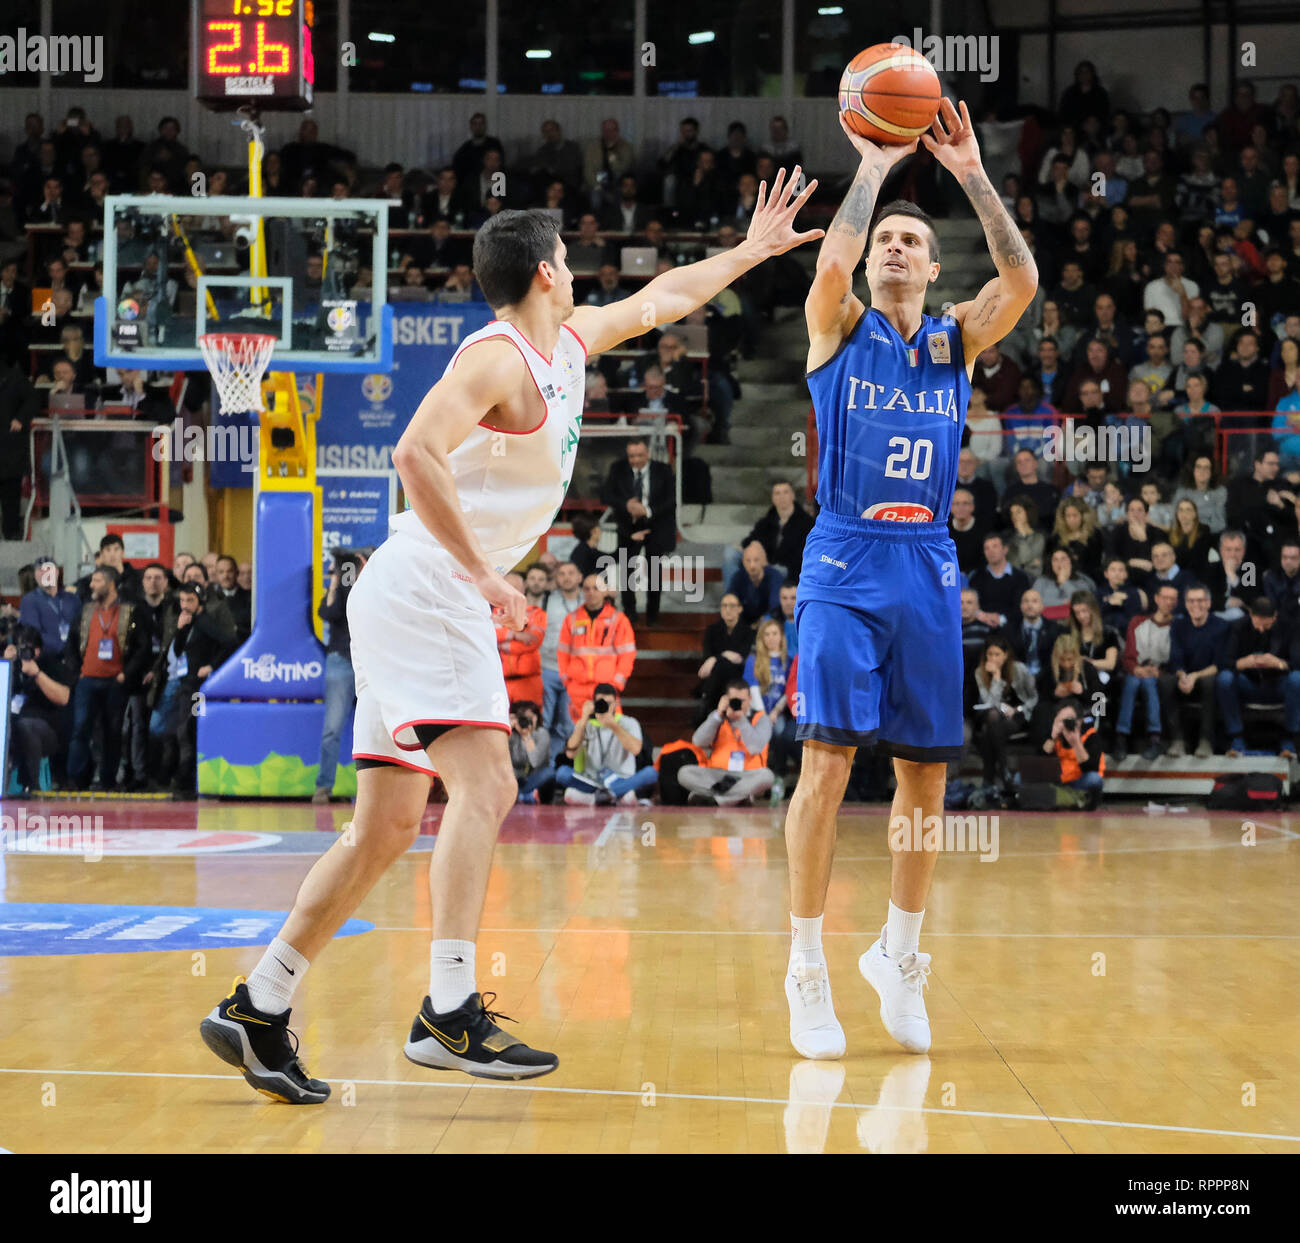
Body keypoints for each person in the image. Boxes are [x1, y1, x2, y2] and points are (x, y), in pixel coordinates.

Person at [201, 187, 826, 1099]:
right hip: (428, 587)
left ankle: (260, 1003)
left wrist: (755, 248)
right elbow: (412, 453)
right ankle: (448, 1009)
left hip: (407, 593)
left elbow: (668, 298)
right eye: (568, 260)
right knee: (488, 783)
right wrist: (492, 578)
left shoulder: (568, 342)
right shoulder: (496, 358)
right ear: (544, 272)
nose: (578, 272)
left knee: (381, 830)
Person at [783, 98, 1037, 1059]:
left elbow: (1021, 275)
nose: (893, 247)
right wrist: (874, 167)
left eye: (910, 244)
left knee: (926, 777)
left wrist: (970, 173)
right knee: (827, 765)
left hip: (927, 562)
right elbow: (833, 262)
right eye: (886, 237)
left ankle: (899, 953)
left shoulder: (956, 340)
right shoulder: (837, 325)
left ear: (935, 270)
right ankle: (807, 966)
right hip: (844, 558)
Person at [67, 566, 147, 790]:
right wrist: (77, 672)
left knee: (112, 732)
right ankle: (77, 778)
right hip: (87, 681)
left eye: (97, 581)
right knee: (80, 728)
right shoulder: (86, 611)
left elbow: (142, 647)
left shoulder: (130, 611)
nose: (92, 585)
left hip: (115, 682)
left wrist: (126, 674)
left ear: (110, 584)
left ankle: (107, 779)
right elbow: (71, 644)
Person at [600, 437, 676, 624]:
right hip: (628, 527)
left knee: (654, 572)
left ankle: (653, 615)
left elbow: (671, 500)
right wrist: (626, 505)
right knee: (627, 571)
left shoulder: (664, 470)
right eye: (631, 456)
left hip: (656, 525)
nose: (635, 460)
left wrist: (647, 510)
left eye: (639, 455)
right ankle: (630, 615)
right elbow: (606, 495)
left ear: (648, 453)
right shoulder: (618, 468)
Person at [1216, 595, 1300, 757]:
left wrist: (1279, 663)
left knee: (1297, 679)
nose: (1261, 629)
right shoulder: (1238, 626)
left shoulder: (1289, 627)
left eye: (1266, 625)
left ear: (1275, 617)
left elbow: (1297, 662)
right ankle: (1236, 737)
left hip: (1278, 684)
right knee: (1224, 679)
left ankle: (1289, 739)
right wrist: (1242, 663)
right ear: (1251, 615)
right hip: (1248, 683)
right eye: (1257, 624)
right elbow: (1224, 661)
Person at [313, 550, 364, 805]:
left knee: (374, 729)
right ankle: (324, 787)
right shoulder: (339, 589)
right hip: (340, 661)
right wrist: (333, 585)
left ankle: (372, 791)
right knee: (332, 728)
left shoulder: (369, 588)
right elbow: (329, 612)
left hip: (368, 662)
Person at [677, 678, 775, 806]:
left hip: (746, 775)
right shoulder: (717, 717)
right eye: (733, 700)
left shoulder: (761, 718)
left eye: (741, 701)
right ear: (725, 699)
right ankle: (737, 798)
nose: (737, 704)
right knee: (684, 773)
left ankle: (716, 799)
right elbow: (698, 741)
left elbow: (755, 747)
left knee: (767, 776)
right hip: (716, 774)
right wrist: (717, 715)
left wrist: (741, 720)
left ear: (750, 699)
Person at [555, 683, 656, 805]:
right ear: (593, 703)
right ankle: (614, 796)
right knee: (562, 773)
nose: (605, 707)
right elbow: (570, 753)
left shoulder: (628, 722)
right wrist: (583, 719)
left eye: (609, 703)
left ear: (616, 703)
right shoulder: (587, 724)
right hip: (592, 781)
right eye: (601, 703)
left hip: (621, 778)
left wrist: (613, 725)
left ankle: (596, 798)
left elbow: (636, 750)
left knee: (651, 773)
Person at [556, 571, 637, 725]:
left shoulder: (618, 619)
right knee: (577, 735)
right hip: (577, 689)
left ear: (606, 591)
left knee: (609, 733)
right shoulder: (572, 619)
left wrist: (616, 685)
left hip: (606, 690)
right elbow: (562, 653)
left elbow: (627, 655)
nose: (591, 592)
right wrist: (567, 680)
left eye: (596, 588)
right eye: (587, 588)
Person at [1113, 582, 1181, 761]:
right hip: (1137, 671)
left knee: (1148, 682)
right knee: (1133, 681)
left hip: (1160, 673)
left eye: (1173, 599)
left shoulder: (1178, 625)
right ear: (1157, 599)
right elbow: (1128, 656)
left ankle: (1154, 738)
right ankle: (1122, 738)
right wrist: (1136, 668)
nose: (1169, 602)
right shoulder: (1137, 622)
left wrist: (1158, 671)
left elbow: (1177, 657)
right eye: (1165, 598)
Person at [3, 624, 72, 792]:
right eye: (19, 649)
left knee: (26, 726)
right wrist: (5, 663)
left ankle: (32, 787)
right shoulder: (11, 666)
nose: (23, 654)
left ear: (38, 650)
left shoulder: (50, 664)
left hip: (45, 729)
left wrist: (37, 674)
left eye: (27, 649)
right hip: (11, 724)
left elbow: (63, 697)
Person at [1166, 584, 1228, 757]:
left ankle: (1206, 740)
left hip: (1207, 676)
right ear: (1185, 604)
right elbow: (1175, 658)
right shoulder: (1178, 625)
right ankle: (1177, 740)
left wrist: (1195, 676)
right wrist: (1182, 675)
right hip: (1185, 677)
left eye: (1200, 600)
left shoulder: (1221, 626)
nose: (1196, 605)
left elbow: (1220, 664)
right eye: (1191, 601)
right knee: (1165, 681)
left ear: (1208, 603)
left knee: (1211, 682)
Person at [971, 636, 1038, 790]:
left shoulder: (1019, 669)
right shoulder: (980, 672)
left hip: (1018, 715)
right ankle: (1003, 770)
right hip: (993, 714)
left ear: (1006, 655)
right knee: (993, 717)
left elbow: (1034, 697)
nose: (993, 658)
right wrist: (996, 678)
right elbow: (989, 703)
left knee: (989, 731)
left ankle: (990, 777)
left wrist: (1018, 709)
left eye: (997, 654)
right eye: (990, 654)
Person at [744, 617, 796, 804]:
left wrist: (775, 711)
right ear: (761, 637)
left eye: (775, 633)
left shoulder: (788, 661)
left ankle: (777, 779)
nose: (771, 638)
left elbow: (788, 690)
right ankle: (760, 782)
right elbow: (753, 692)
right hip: (758, 713)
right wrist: (764, 716)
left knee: (780, 732)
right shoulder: (753, 661)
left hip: (778, 713)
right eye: (767, 634)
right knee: (763, 733)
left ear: (781, 637)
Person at [536, 560, 582, 754]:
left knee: (568, 724)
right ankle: (545, 770)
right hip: (548, 668)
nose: (566, 577)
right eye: (562, 573)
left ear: (580, 577)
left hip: (576, 673)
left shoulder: (590, 600)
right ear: (556, 578)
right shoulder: (546, 600)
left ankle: (567, 768)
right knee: (544, 722)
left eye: (571, 573)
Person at [695, 593, 754, 719]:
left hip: (738, 676)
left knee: (722, 667)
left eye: (732, 606)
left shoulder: (747, 631)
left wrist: (716, 657)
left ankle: (708, 705)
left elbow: (740, 657)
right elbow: (707, 657)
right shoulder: (712, 630)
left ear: (740, 609)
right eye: (725, 606)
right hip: (716, 676)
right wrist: (723, 656)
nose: (728, 609)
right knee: (721, 668)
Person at [495, 570, 547, 706]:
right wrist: (515, 635)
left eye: (516, 587)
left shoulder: (536, 613)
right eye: (508, 587)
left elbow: (532, 641)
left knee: (530, 722)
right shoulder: (492, 614)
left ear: (524, 588)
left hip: (528, 682)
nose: (511, 592)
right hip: (500, 682)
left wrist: (503, 644)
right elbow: (489, 638)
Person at [1041, 701, 1106, 807]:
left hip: (1079, 782)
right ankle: (1070, 799)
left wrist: (1076, 742)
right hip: (1059, 782)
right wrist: (1052, 737)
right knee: (1019, 777)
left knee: (1094, 779)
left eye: (1069, 720)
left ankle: (1070, 798)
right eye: (1061, 720)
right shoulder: (1055, 736)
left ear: (1079, 721)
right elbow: (1040, 762)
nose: (1065, 724)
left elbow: (1091, 768)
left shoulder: (1091, 736)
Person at [19, 555, 81, 658]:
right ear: (35, 575)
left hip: (73, 659)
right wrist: (64, 648)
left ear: (57, 572)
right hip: (46, 659)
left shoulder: (72, 599)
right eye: (40, 570)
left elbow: (81, 627)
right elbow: (35, 634)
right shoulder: (29, 600)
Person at [728, 540, 784, 624]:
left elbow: (775, 607)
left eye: (756, 560)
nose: (752, 565)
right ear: (743, 562)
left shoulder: (775, 576)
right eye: (748, 560)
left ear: (763, 561)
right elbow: (730, 599)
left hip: (769, 624)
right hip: (745, 625)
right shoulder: (738, 577)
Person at [508, 700, 553, 804]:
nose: (528, 720)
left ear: (537, 717)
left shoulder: (542, 734)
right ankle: (524, 796)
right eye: (524, 717)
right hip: (515, 778)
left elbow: (535, 762)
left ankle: (520, 796)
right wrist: (508, 728)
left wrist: (526, 736)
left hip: (534, 779)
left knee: (549, 772)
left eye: (531, 717)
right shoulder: (513, 735)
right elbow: (500, 756)